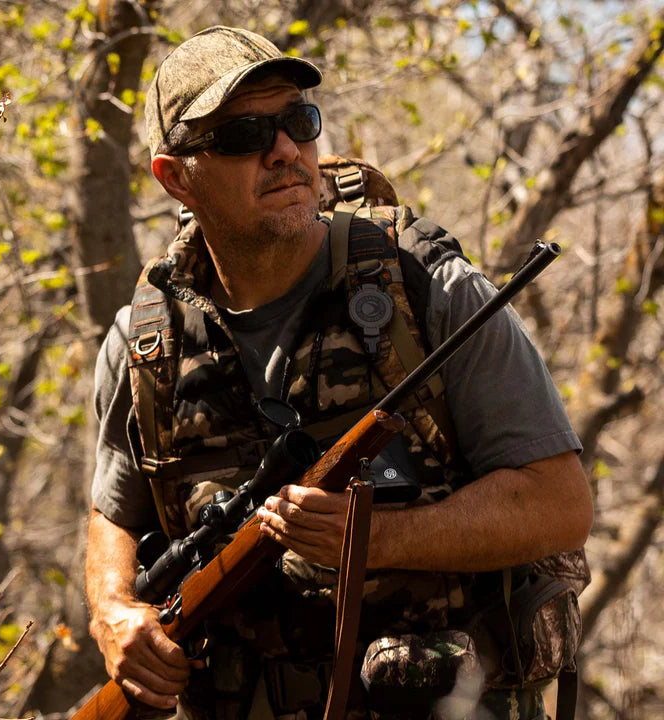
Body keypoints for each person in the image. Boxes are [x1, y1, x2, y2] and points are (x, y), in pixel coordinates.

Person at [85, 25, 593, 720]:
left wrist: (375, 538)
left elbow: (560, 503)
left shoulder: (428, 288)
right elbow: (113, 512)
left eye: (298, 121)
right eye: (243, 135)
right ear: (175, 176)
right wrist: (114, 611)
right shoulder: (144, 342)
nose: (285, 150)